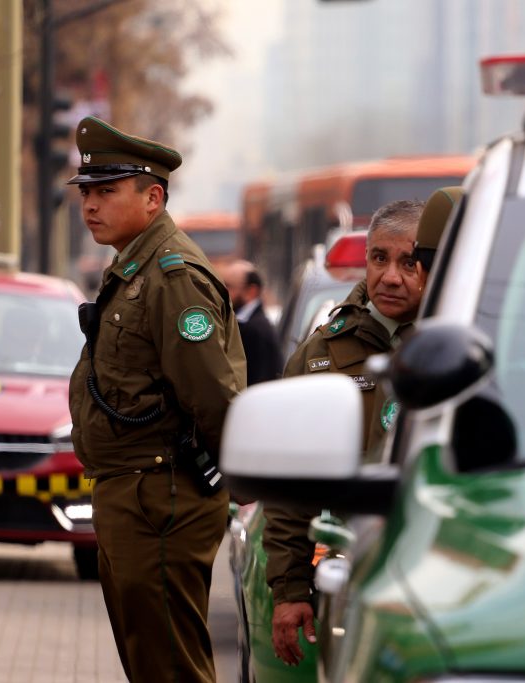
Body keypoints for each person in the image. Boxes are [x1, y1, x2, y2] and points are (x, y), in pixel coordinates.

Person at [66, 116, 247, 683]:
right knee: (150, 661)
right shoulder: (134, 265)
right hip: (135, 492)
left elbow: (213, 395)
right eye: (86, 193)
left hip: (163, 495)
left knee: (171, 665)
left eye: (106, 192)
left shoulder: (172, 276)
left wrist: (240, 486)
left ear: (153, 197)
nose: (90, 205)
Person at [262, 199, 426, 666]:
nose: (391, 276)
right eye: (380, 258)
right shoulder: (322, 354)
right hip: (342, 576)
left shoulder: (461, 342)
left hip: (433, 571)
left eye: (409, 262)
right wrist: (291, 590)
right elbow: (291, 481)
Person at [219, 259, 284, 385]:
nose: (222, 293)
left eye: (228, 286)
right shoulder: (247, 324)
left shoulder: (256, 330)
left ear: (251, 291)